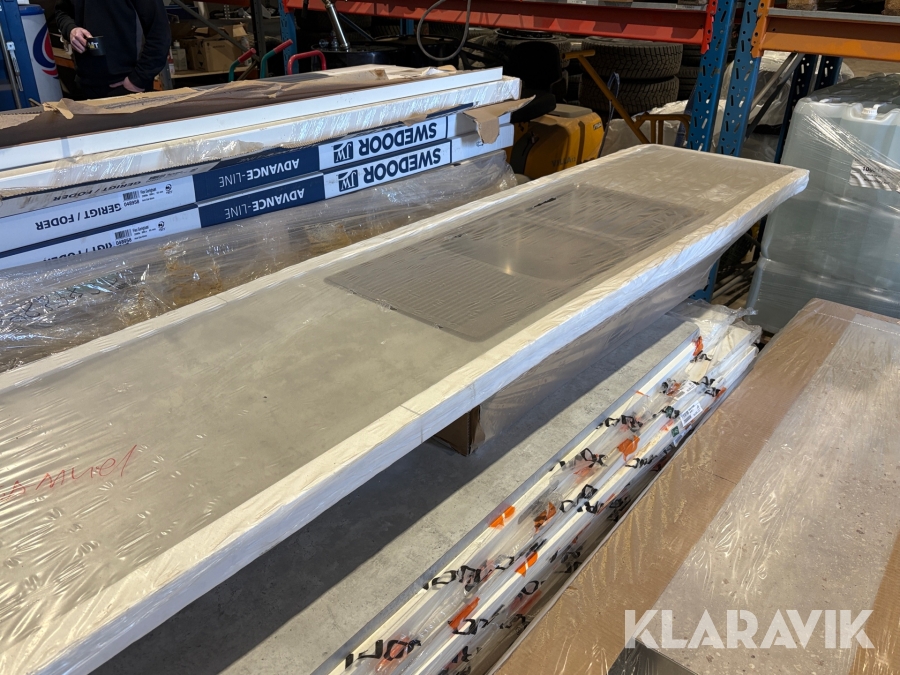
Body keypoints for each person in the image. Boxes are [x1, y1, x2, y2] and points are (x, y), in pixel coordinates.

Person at [55, 0, 171, 99]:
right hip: (85, 84)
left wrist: (138, 79)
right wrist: (71, 30)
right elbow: (62, 12)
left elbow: (160, 33)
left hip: (127, 88)